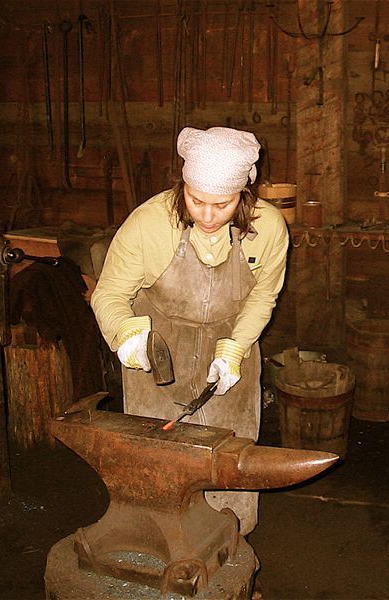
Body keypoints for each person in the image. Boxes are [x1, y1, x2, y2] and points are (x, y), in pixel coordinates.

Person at [91, 126, 289, 534]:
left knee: (227, 465)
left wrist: (235, 349)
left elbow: (262, 296)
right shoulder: (149, 224)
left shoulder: (268, 228)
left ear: (244, 194)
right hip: (158, 354)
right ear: (182, 185)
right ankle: (157, 547)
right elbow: (109, 292)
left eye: (222, 204)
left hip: (229, 349)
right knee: (155, 468)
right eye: (196, 200)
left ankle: (229, 550)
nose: (208, 216)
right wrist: (125, 333)